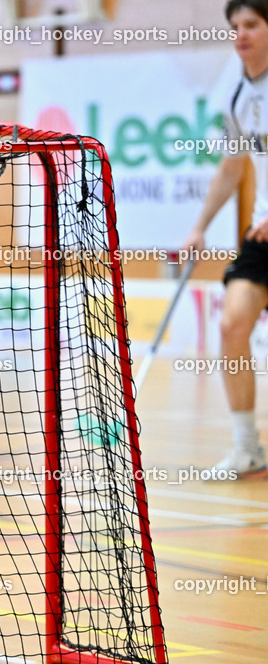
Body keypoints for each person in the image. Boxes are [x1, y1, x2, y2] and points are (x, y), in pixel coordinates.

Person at [182, 0, 268, 478]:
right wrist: (201, 225)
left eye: (252, 24)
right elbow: (233, 166)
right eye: (234, 26)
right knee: (233, 324)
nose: (241, 33)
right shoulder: (236, 93)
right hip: (261, 234)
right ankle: (247, 445)